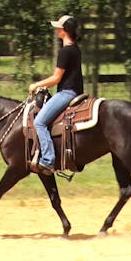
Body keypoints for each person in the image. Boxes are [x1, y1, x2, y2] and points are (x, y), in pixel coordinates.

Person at [29, 15, 83, 175]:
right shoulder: (75, 48)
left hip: (67, 93)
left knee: (39, 122)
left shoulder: (65, 52)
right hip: (75, 91)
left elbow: (56, 78)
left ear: (64, 31)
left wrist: (36, 85)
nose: (56, 30)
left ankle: (47, 160)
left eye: (58, 27)